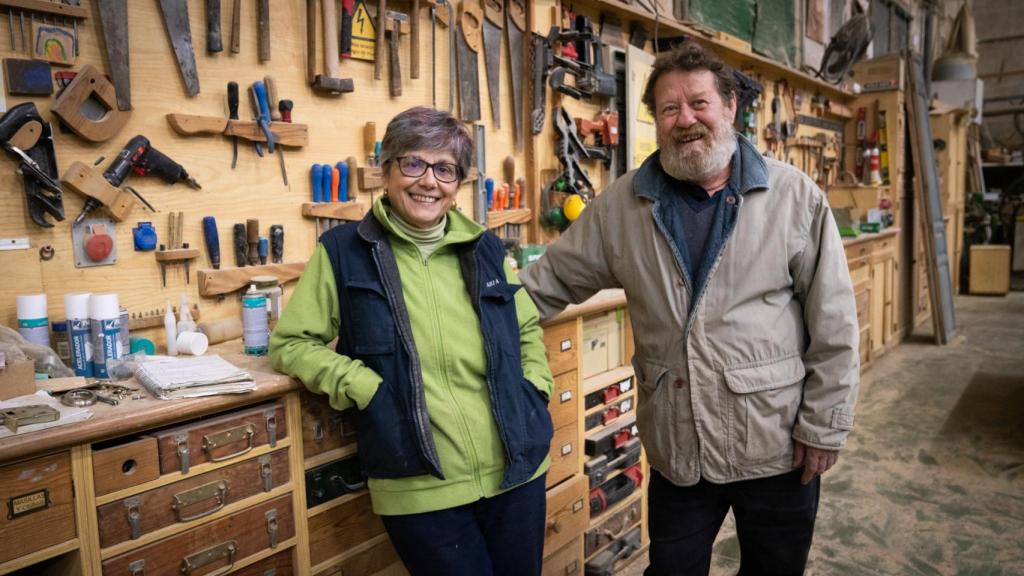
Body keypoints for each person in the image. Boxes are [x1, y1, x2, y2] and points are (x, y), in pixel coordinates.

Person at [520, 41, 859, 575]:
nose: (685, 120)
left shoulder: (793, 196)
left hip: (774, 442)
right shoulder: (624, 205)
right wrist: (465, 312)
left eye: (699, 104)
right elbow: (547, 283)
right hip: (679, 448)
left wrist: (824, 426)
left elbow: (834, 324)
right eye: (670, 109)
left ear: (730, 107)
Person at [270, 106, 554, 576]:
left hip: (516, 469)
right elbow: (292, 344)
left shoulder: (486, 248)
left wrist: (534, 389)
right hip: (419, 483)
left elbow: (525, 328)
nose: (428, 181)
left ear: (458, 182)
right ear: (387, 169)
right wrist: (366, 387)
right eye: (413, 163)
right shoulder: (344, 252)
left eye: (445, 169)